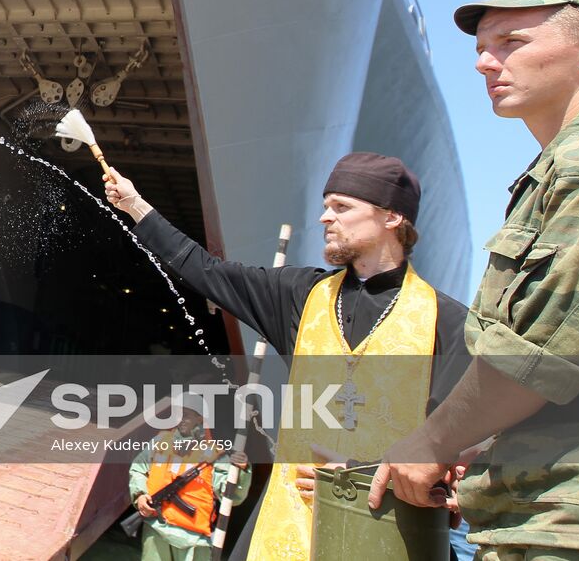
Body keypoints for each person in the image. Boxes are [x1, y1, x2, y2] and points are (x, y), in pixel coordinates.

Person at [105, 152, 471, 560]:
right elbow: (207, 271)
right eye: (325, 206)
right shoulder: (299, 294)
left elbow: (466, 435)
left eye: (341, 207)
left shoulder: (448, 321)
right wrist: (135, 205)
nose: (324, 218)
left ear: (392, 217)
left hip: (390, 529)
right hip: (291, 514)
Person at [372, 0, 579, 559]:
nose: (484, 62)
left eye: (512, 42)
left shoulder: (578, 167)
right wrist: (477, 444)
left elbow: (537, 356)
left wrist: (433, 440)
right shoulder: (552, 170)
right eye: (482, 46)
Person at [129, 394, 251, 561]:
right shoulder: (160, 441)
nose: (180, 419)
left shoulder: (215, 455)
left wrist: (241, 471)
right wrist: (140, 495)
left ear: (200, 418)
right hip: (156, 528)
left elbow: (232, 497)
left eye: (186, 414)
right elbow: (138, 469)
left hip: (194, 540)